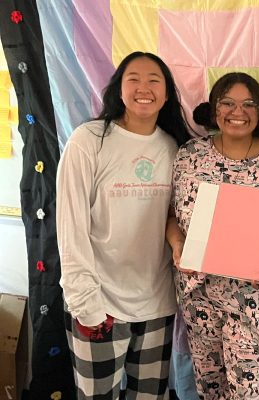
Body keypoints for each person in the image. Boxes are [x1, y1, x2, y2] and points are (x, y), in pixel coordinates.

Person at [57, 51, 192, 399]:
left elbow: (171, 215)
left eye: (154, 80)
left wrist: (178, 241)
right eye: (134, 79)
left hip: (157, 305)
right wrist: (86, 303)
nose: (143, 88)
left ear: (166, 95)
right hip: (100, 305)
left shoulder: (173, 148)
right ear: (119, 89)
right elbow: (70, 226)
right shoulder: (89, 141)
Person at [167, 72, 259, 399]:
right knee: (210, 390)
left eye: (248, 104)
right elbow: (171, 216)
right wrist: (177, 243)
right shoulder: (189, 155)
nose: (237, 111)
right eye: (227, 102)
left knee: (249, 394)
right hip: (199, 295)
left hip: (254, 300)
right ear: (214, 110)